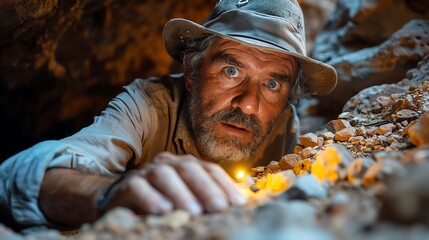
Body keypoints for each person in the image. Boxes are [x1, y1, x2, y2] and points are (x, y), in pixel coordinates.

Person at [0, 0, 337, 231]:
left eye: (273, 83)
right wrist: (111, 193)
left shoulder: (283, 126)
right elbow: (17, 174)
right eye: (232, 70)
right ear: (191, 71)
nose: (248, 104)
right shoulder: (147, 104)